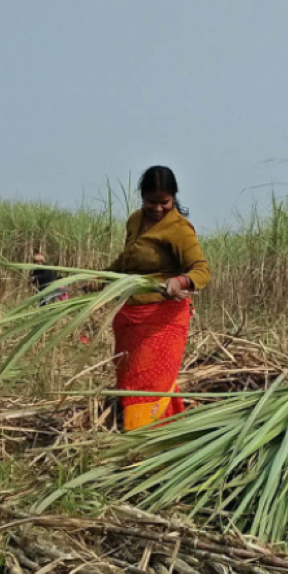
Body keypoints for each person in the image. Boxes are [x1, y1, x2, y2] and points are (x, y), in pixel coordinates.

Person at [104, 165, 211, 432]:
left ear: (173, 198)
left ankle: (146, 447)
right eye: (152, 202)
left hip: (162, 318)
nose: (158, 208)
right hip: (131, 316)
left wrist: (178, 281)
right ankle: (161, 434)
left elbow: (201, 270)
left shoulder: (179, 229)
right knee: (131, 379)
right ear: (142, 197)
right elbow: (126, 260)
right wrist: (100, 278)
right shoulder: (135, 221)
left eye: (165, 202)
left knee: (150, 382)